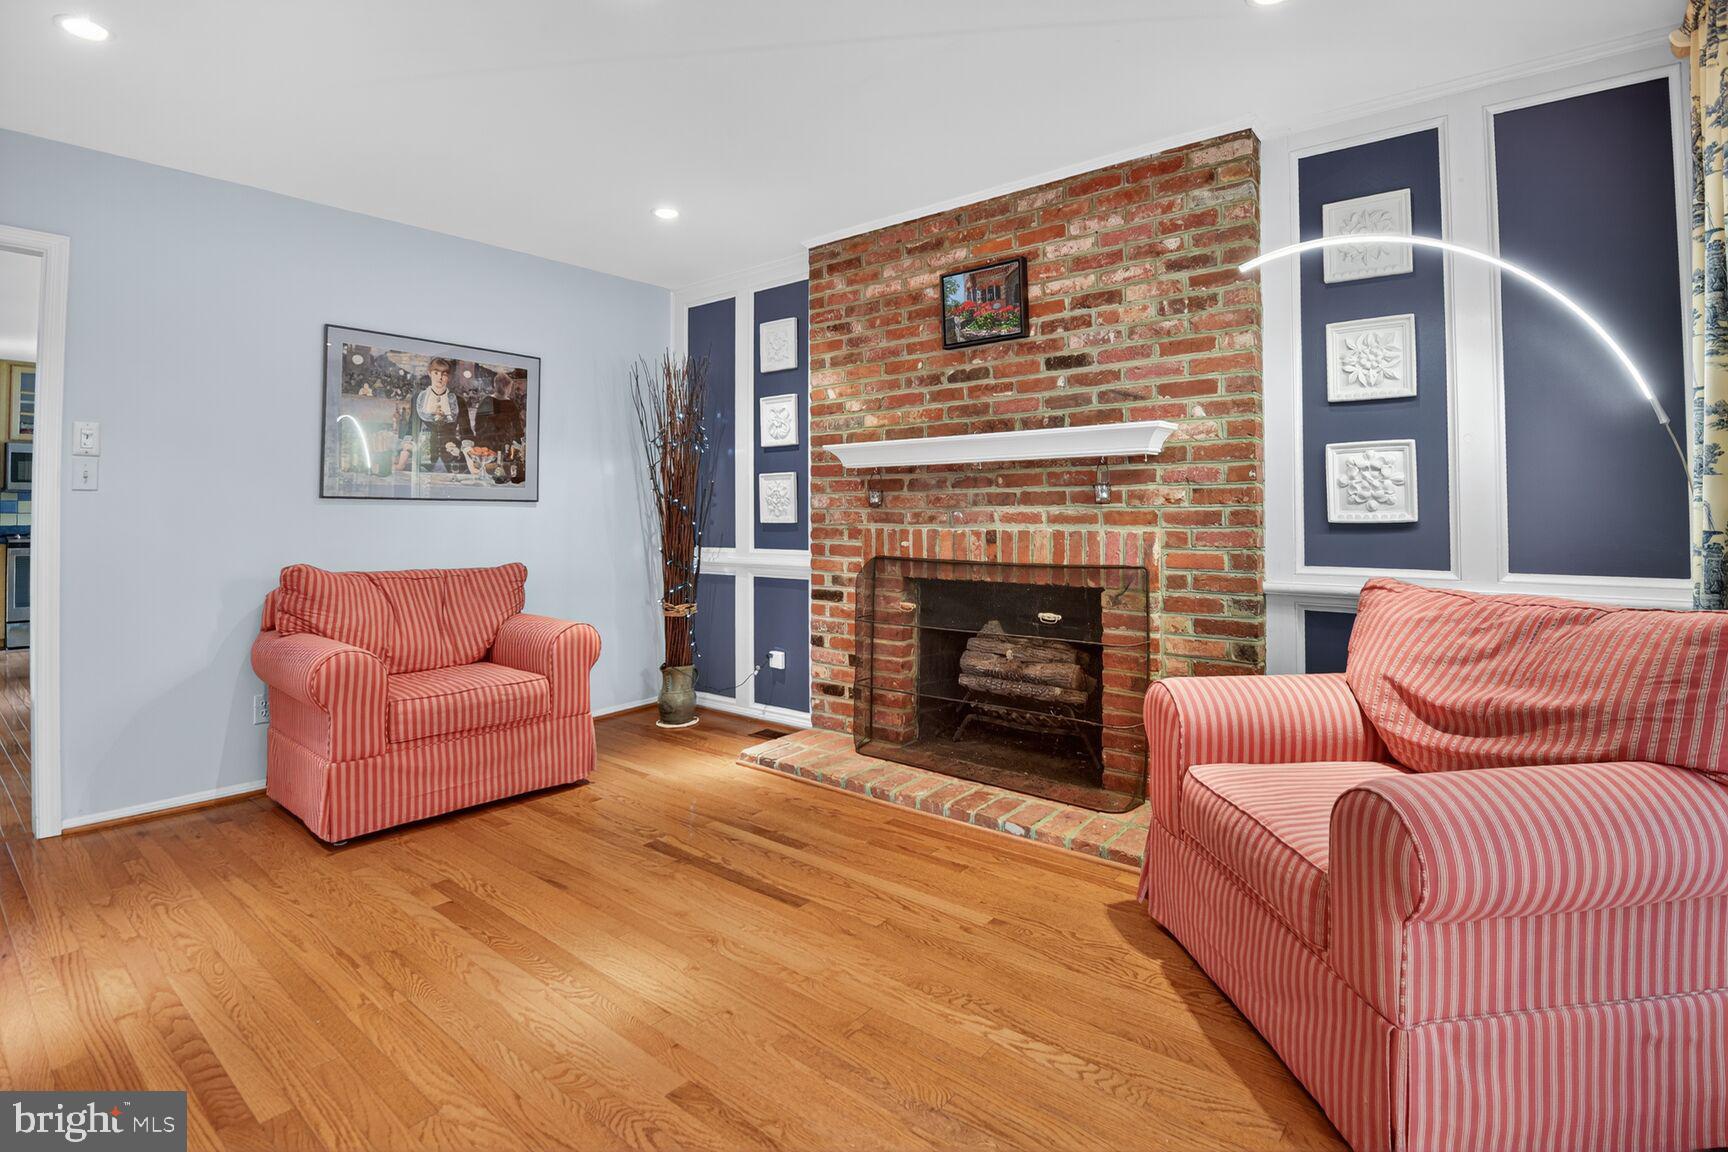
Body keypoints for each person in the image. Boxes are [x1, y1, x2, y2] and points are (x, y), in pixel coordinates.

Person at [411, 357, 469, 473]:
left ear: (449, 377)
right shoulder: (419, 398)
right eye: (436, 373)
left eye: (444, 374)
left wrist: (462, 451)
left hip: (452, 458)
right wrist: (408, 450)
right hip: (424, 458)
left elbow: (467, 433)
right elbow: (411, 429)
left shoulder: (459, 401)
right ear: (429, 373)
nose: (440, 378)